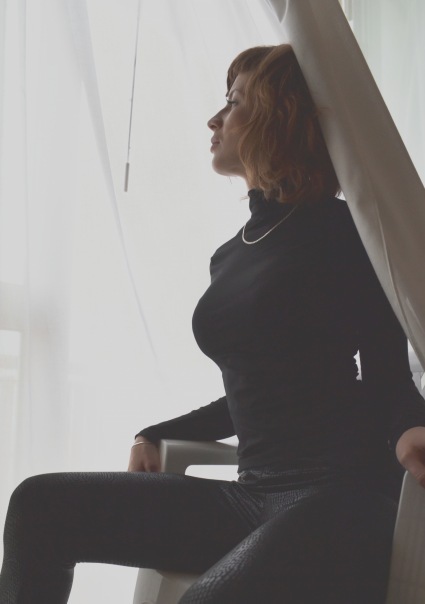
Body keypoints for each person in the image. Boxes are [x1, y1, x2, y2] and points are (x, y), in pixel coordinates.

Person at [1, 43, 425, 604]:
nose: (215, 118)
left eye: (234, 101)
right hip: (249, 500)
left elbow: (386, 370)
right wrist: (157, 430)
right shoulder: (231, 255)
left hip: (340, 501)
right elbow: (251, 391)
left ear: (279, 117)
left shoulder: (347, 230)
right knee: (39, 506)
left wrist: (410, 428)